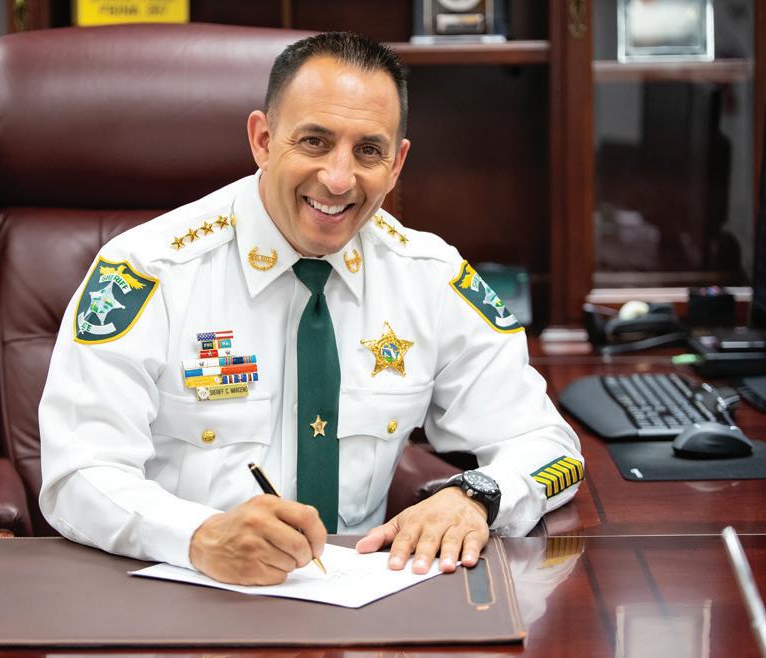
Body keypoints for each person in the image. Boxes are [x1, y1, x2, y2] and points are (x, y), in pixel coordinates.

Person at [39, 31, 583, 586]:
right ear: (263, 139)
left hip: (365, 597)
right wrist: (199, 536)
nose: (339, 179)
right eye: (315, 142)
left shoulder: (429, 277)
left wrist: (477, 496)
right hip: (182, 591)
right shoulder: (148, 272)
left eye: (368, 151)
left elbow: (552, 448)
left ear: (397, 164)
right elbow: (77, 476)